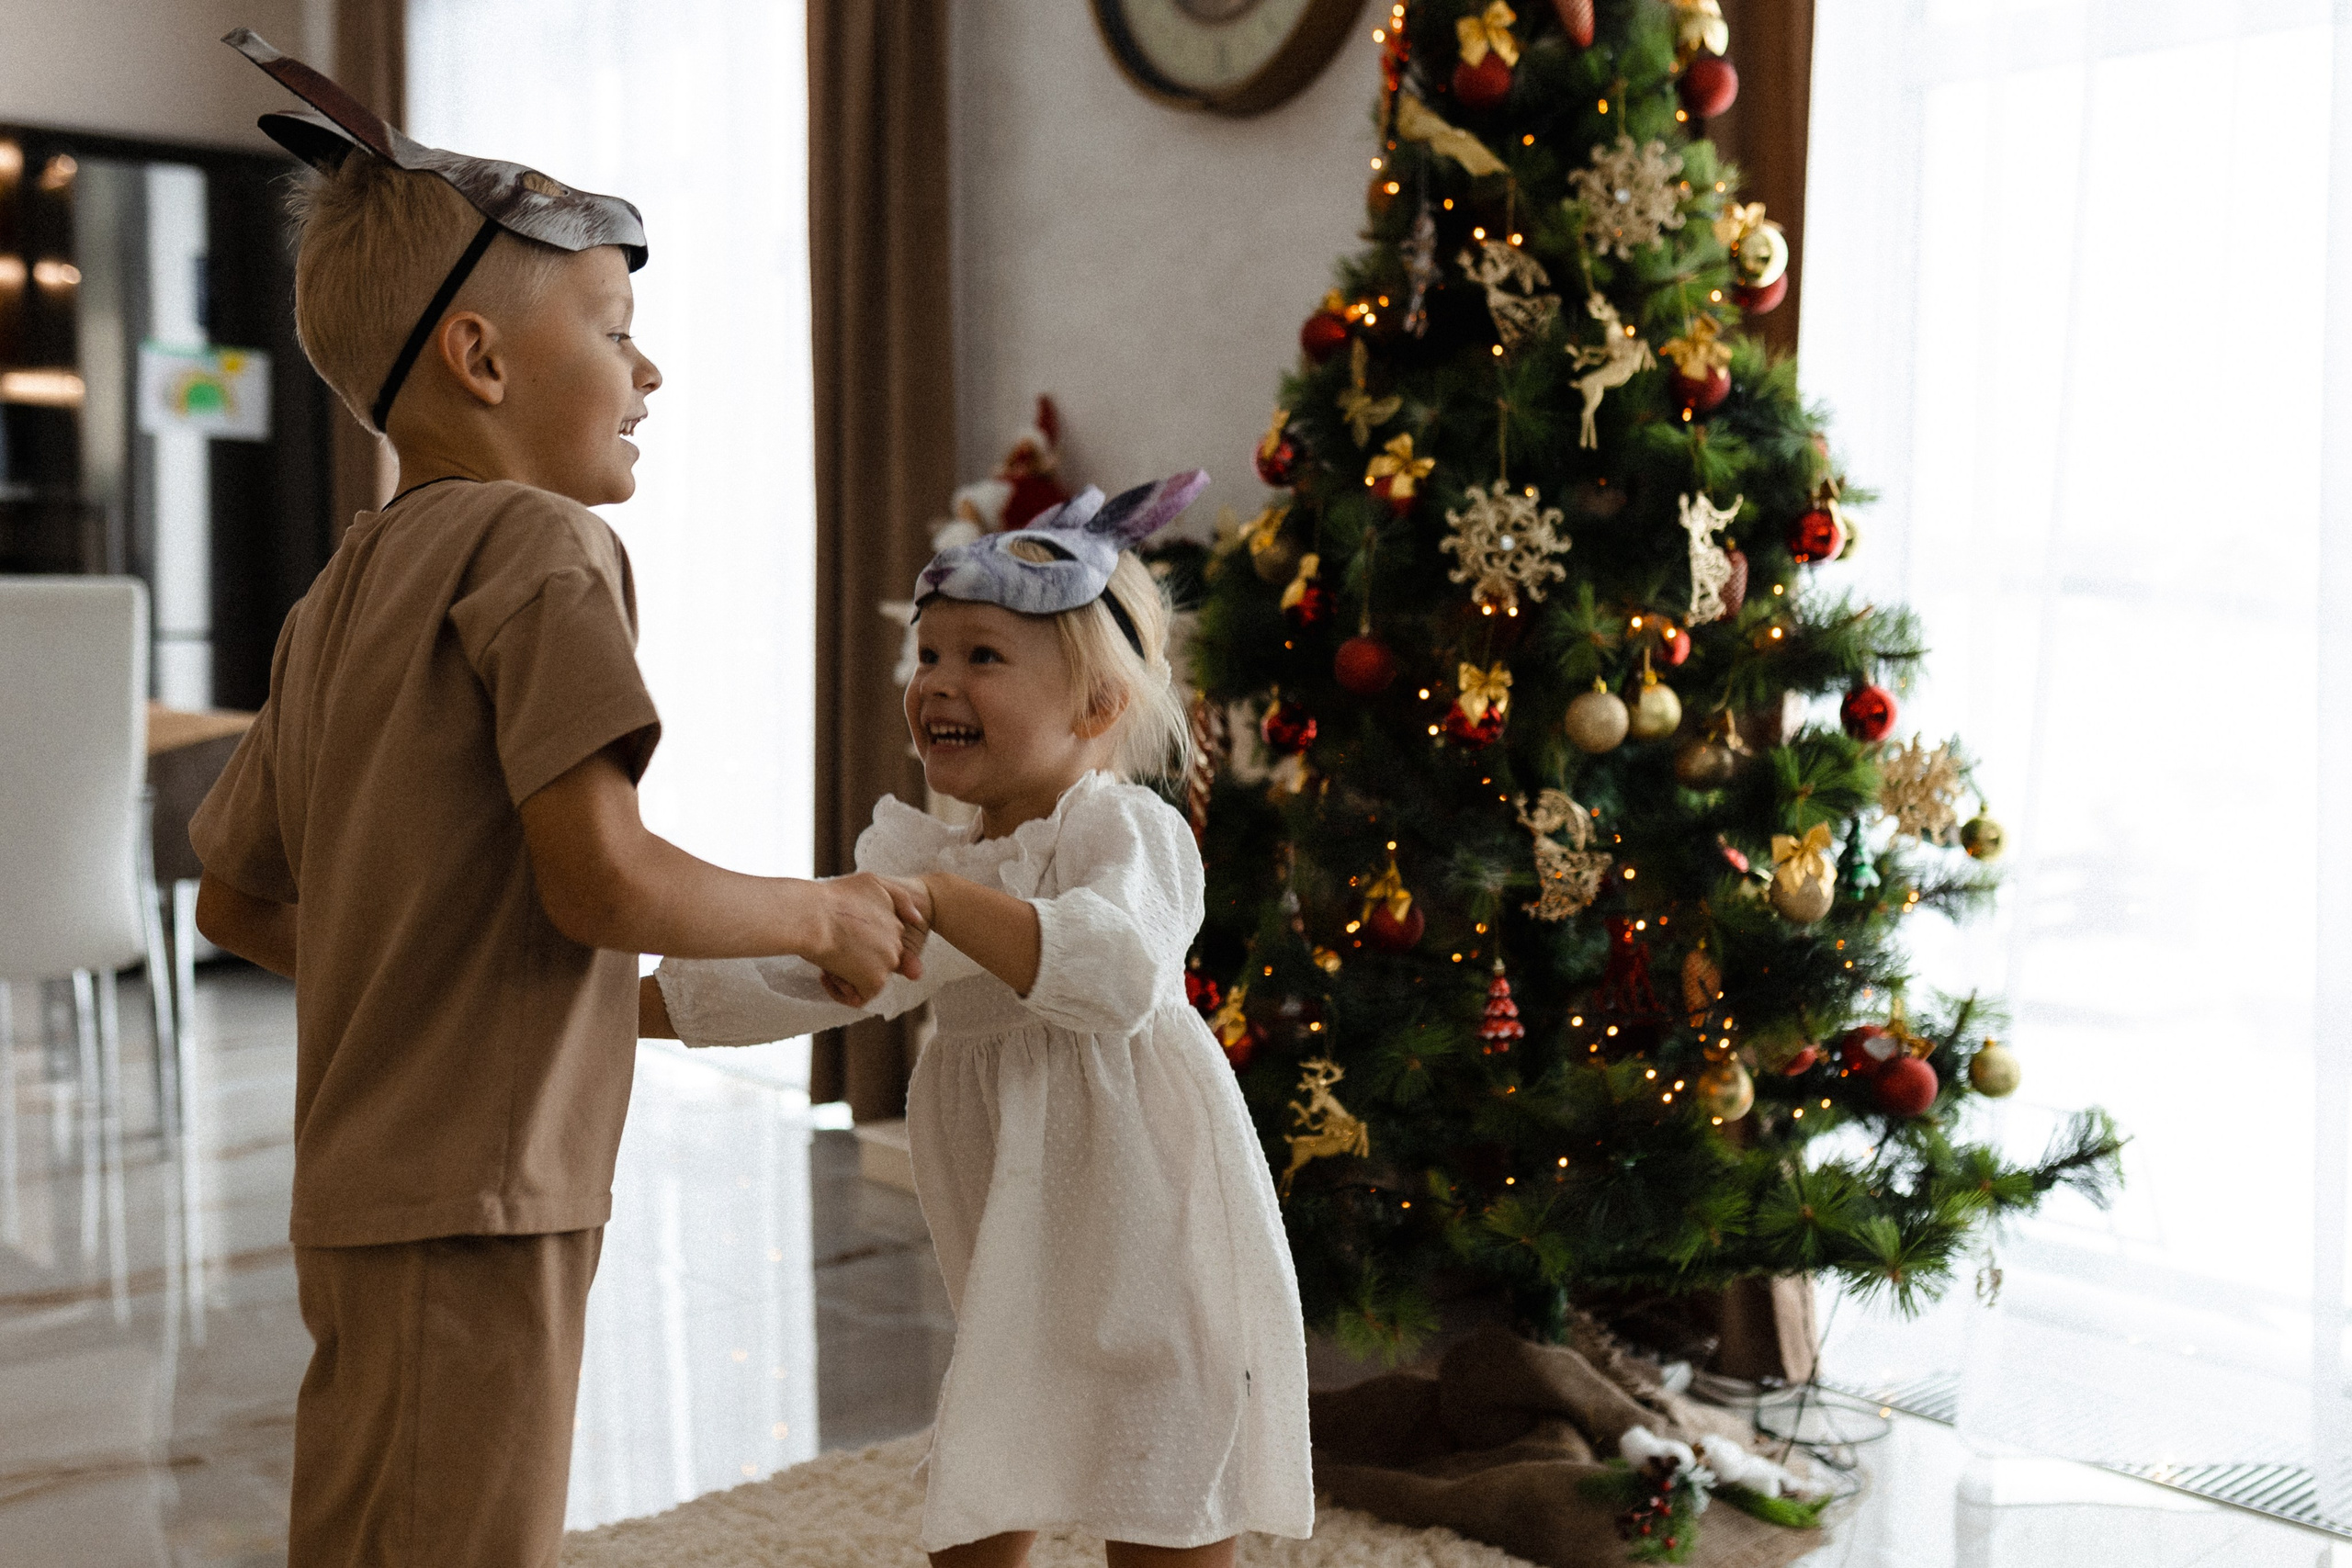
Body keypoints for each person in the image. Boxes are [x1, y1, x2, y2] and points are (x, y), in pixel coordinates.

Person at [187, 35, 922, 1568]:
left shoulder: (338, 592)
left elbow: (238, 897)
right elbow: (601, 876)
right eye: (616, 326)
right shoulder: (543, 547)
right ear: (480, 355)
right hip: (489, 1185)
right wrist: (823, 906)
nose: (650, 368)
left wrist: (456, 997)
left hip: (366, 1175)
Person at [644, 472, 1315, 1567]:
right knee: (995, 1446)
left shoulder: (1124, 833)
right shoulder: (929, 860)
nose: (937, 682)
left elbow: (1116, 971)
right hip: (1023, 1252)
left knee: (1160, 1483)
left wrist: (950, 902)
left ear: (1097, 710)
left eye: (983, 657)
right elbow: (814, 974)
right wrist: (607, 1014)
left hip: (1153, 1247)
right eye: (930, 654)